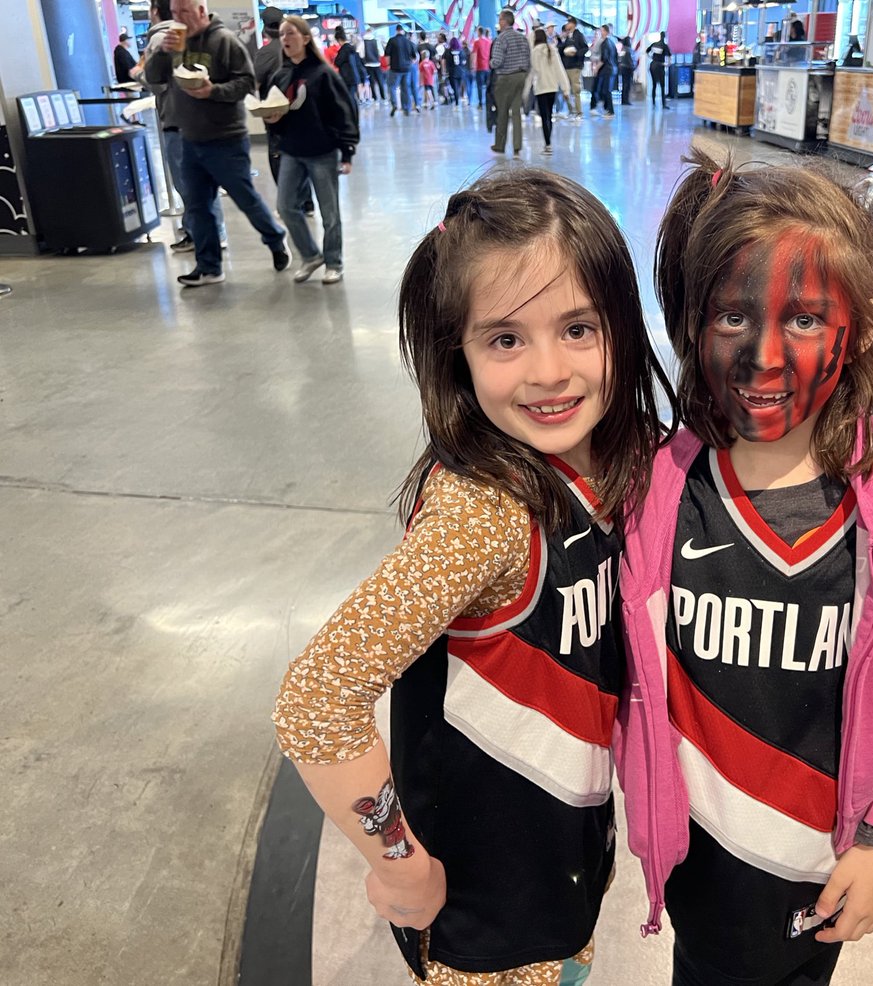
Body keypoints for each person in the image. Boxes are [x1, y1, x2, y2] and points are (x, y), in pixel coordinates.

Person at [272, 168, 676, 986]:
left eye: (579, 329)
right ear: (456, 353)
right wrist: (398, 863)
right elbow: (316, 700)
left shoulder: (618, 455)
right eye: (505, 339)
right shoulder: (479, 515)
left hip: (560, 857)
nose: (550, 372)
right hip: (485, 917)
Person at [616, 151, 873, 986]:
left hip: (823, 863)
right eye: (732, 318)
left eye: (806, 320)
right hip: (701, 860)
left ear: (866, 328)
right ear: (693, 323)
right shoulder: (658, 488)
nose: (764, 357)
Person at [144, 0, 289, 288]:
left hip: (226, 138)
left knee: (244, 197)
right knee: (197, 206)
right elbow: (153, 77)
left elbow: (247, 83)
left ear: (200, 11)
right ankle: (209, 266)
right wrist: (162, 52)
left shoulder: (224, 41)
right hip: (189, 137)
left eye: (184, 12)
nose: (179, 19)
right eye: (174, 14)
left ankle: (274, 239)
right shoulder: (173, 43)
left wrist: (214, 91)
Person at [263, 16, 358, 286]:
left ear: (305, 38)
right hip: (292, 151)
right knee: (285, 206)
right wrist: (272, 121)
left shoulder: (323, 74)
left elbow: (343, 113)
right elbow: (275, 110)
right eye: (282, 34)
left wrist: (347, 152)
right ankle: (310, 255)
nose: (285, 39)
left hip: (322, 152)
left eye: (290, 33)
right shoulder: (280, 75)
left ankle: (334, 262)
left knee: (329, 213)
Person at [132, 0, 228, 253]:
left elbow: (157, 82)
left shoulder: (160, 41)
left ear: (154, 12)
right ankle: (201, 231)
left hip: (177, 118)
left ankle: (209, 235)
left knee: (189, 182)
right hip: (195, 118)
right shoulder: (192, 37)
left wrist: (139, 73)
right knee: (199, 180)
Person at [254, 6, 313, 218]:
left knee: (279, 157)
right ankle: (306, 202)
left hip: (275, 115)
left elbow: (256, 80)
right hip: (302, 114)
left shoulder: (266, 53)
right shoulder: (301, 50)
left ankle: (290, 203)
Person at [489, 10, 531, 155]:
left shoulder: (502, 38)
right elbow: (528, 58)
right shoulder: (522, 38)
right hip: (521, 76)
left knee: (502, 112)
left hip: (505, 78)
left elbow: (497, 61)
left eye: (500, 20)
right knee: (516, 112)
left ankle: (500, 145)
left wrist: (491, 63)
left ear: (503, 21)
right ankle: (517, 146)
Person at [525, 28, 569, 156]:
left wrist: (526, 89)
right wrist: (565, 88)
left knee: (544, 116)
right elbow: (559, 69)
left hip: (540, 88)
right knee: (549, 115)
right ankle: (548, 143)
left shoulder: (534, 52)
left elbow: (532, 72)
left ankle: (548, 143)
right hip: (552, 87)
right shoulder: (552, 50)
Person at [385, 25, 419, 116]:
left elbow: (387, 55)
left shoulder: (392, 41)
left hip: (395, 69)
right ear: (403, 31)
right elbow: (414, 57)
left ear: (396, 31)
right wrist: (409, 63)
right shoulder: (408, 42)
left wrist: (388, 65)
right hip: (407, 69)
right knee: (406, 88)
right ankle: (406, 108)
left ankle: (394, 104)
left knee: (392, 87)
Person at [558, 18, 586, 120]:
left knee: (575, 90)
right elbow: (560, 50)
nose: (567, 25)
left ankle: (579, 112)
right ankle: (571, 110)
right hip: (566, 66)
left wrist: (576, 53)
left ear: (573, 24)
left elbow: (585, 48)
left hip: (575, 67)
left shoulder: (579, 35)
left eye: (569, 23)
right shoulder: (567, 36)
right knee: (566, 90)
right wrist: (561, 40)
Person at [333, 28, 368, 103]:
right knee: (352, 98)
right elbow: (358, 63)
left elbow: (337, 62)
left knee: (349, 99)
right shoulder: (352, 49)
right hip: (354, 77)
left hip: (347, 78)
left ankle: (352, 113)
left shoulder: (344, 50)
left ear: (339, 39)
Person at [594, 25, 616, 118]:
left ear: (606, 32)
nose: (601, 33)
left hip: (607, 69)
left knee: (606, 91)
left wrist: (596, 68)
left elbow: (604, 58)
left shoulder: (605, 43)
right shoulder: (611, 42)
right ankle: (607, 109)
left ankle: (610, 111)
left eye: (602, 31)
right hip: (611, 69)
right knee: (605, 90)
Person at [646, 32, 671, 108]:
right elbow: (669, 56)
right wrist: (667, 64)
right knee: (662, 85)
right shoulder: (665, 46)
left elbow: (647, 51)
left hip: (652, 65)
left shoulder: (654, 44)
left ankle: (653, 103)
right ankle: (663, 104)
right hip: (660, 66)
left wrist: (651, 58)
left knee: (654, 84)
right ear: (665, 37)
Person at [362, 27, 385, 102]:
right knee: (380, 81)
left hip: (368, 64)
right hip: (376, 64)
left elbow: (361, 54)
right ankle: (383, 97)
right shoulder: (376, 41)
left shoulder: (363, 42)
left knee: (371, 82)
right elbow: (381, 53)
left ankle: (375, 98)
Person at [472, 26, 492, 107]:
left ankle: (480, 103)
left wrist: (473, 66)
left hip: (480, 67)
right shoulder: (489, 41)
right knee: (488, 86)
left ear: (479, 32)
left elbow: (474, 54)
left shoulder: (477, 42)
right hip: (488, 66)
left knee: (479, 86)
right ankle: (489, 102)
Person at [443, 36, 466, 106]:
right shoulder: (461, 51)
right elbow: (464, 61)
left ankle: (456, 102)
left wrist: (444, 70)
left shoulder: (448, 51)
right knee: (458, 87)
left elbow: (444, 60)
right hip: (460, 72)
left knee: (454, 87)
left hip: (452, 72)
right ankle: (457, 99)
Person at [617, 36, 635, 106]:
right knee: (627, 85)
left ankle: (623, 100)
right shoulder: (629, 50)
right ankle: (626, 100)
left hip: (622, 68)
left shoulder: (622, 49)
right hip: (628, 69)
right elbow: (631, 61)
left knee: (624, 85)